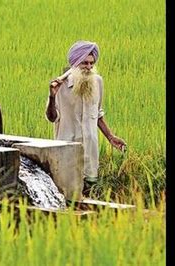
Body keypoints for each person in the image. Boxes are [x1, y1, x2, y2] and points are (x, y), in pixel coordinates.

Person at [45, 40, 126, 195]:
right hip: (66, 149)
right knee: (66, 194)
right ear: (75, 63)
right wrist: (52, 97)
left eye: (91, 63)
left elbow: (98, 113)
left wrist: (110, 136)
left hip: (90, 147)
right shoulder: (59, 86)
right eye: (84, 63)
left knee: (89, 191)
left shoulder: (97, 82)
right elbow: (51, 117)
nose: (89, 67)